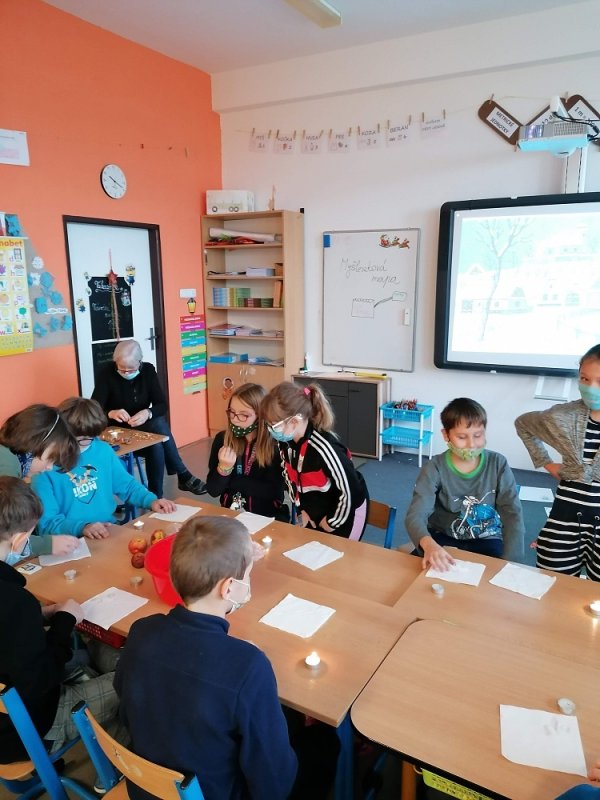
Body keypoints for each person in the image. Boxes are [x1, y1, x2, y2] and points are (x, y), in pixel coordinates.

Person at [114, 516, 298, 800]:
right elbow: (274, 782)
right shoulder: (249, 667)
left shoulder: (141, 631)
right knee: (321, 746)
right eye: (248, 575)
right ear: (228, 588)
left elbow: (126, 712)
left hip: (145, 789)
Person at [0, 476, 121, 762]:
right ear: (19, 540)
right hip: (28, 728)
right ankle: (118, 766)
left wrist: (40, 615)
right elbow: (43, 678)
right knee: (137, 680)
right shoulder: (15, 602)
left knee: (96, 658)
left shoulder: (14, 604)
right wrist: (65, 621)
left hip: (11, 708)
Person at [406, 397, 524, 570]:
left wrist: (511, 561)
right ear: (446, 435)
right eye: (462, 437)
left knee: (491, 578)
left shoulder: (498, 463)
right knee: (413, 573)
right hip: (443, 537)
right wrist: (429, 544)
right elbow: (416, 515)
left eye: (478, 435)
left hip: (487, 538)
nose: (471, 444)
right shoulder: (435, 467)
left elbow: (512, 513)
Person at [32, 398, 175, 539]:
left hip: (107, 529)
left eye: (91, 438)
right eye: (78, 439)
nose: (85, 444)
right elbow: (47, 523)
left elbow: (127, 486)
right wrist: (82, 527)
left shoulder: (102, 450)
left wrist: (151, 501)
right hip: (71, 540)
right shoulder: (44, 468)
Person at [515, 343, 600, 580]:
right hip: (565, 518)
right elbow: (523, 424)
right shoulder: (562, 416)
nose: (591, 388)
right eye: (584, 379)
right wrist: (546, 462)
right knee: (553, 582)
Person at [91, 339, 206, 498]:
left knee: (156, 434)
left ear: (140, 362)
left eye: (131, 369)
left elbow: (162, 405)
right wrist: (111, 413)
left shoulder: (148, 371)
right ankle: (179, 477)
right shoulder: (106, 373)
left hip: (142, 427)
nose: (126, 373)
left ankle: (156, 497)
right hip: (116, 430)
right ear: (115, 362)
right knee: (157, 437)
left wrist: (148, 413)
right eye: (122, 369)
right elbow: (93, 410)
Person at [261, 381, 368, 538]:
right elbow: (290, 478)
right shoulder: (285, 442)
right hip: (316, 510)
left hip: (345, 512)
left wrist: (332, 522)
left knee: (339, 552)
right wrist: (301, 509)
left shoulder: (325, 449)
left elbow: (350, 491)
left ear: (294, 421)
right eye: (268, 425)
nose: (271, 430)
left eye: (275, 426)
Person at [0, 404, 80, 558]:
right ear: (36, 443)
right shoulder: (7, 468)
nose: (49, 467)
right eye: (50, 458)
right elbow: (7, 533)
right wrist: (47, 544)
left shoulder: (7, 456)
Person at [205, 382, 289, 519]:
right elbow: (213, 490)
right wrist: (223, 469)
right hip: (231, 515)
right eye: (232, 412)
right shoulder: (222, 439)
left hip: (267, 518)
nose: (235, 420)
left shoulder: (275, 444)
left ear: (261, 416)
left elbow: (273, 492)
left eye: (243, 415)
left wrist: (233, 481)